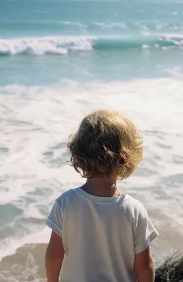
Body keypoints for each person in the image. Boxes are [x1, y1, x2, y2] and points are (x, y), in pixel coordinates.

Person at [45, 110, 158, 282]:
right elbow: (143, 266)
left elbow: (54, 255)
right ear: (127, 156)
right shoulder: (134, 210)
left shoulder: (66, 203)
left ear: (79, 152)